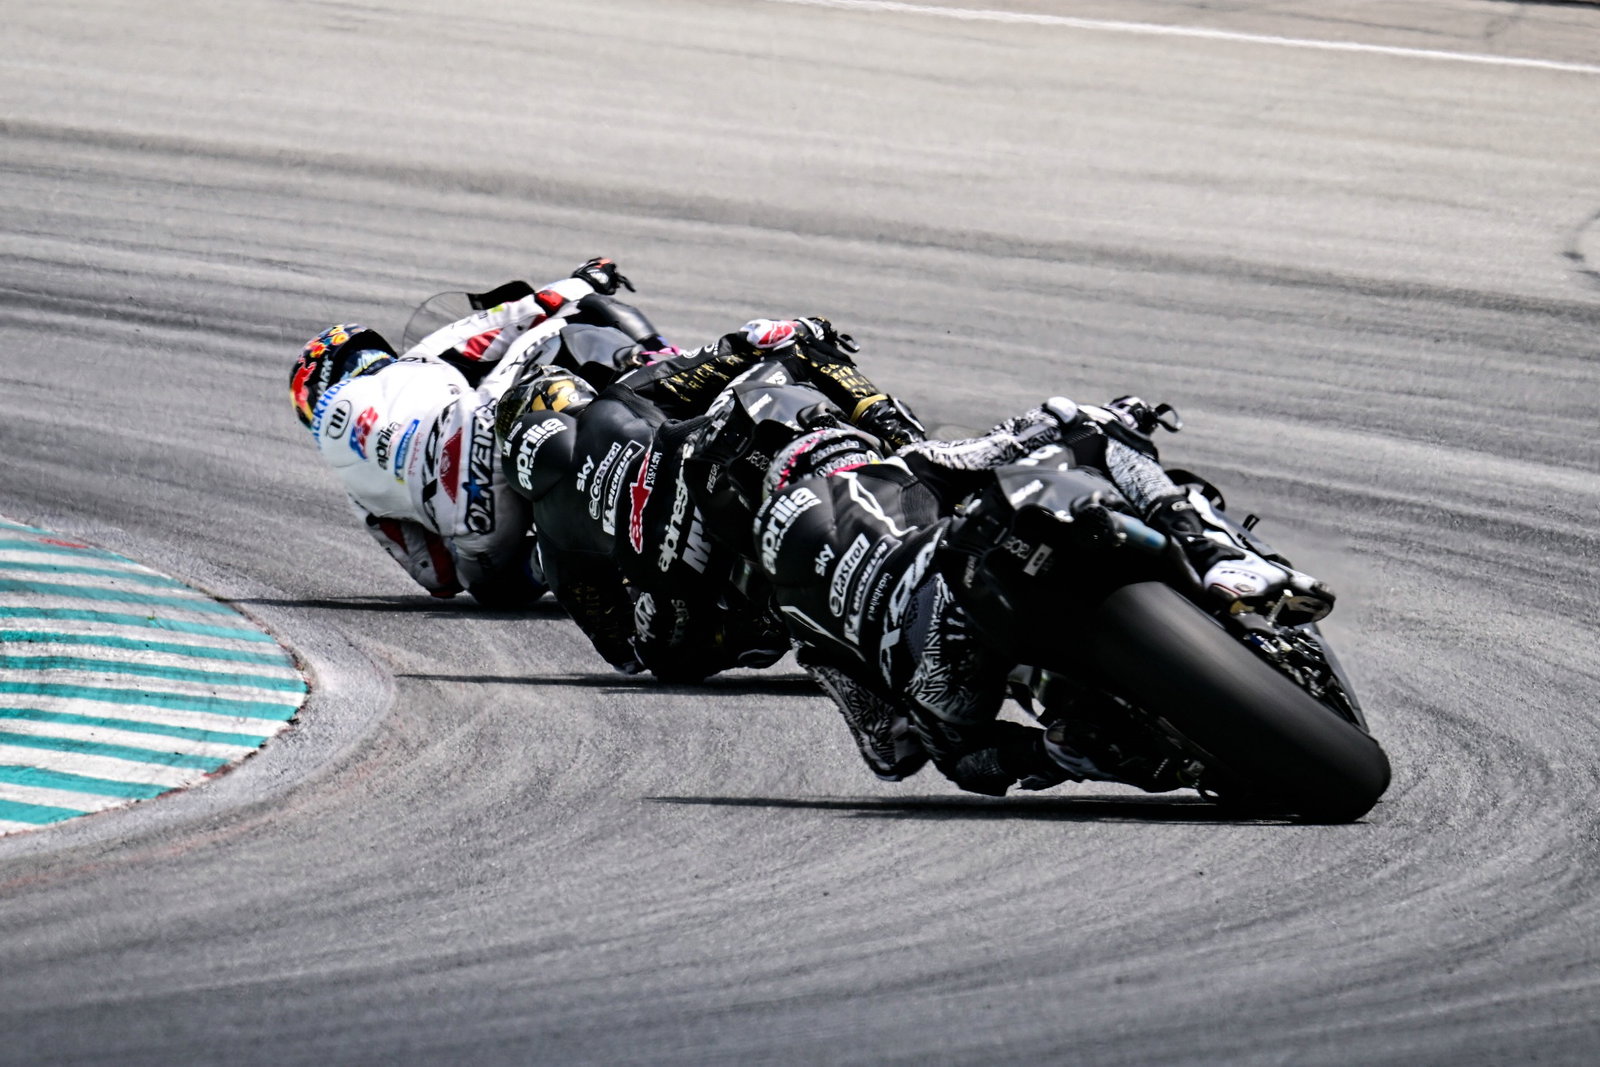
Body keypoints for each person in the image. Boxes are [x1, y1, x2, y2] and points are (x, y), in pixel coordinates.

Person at [748, 395, 1336, 796]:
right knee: (1095, 437)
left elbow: (890, 755)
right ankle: (1216, 556)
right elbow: (997, 447)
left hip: (945, 676)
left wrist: (1031, 757)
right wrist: (1069, 418)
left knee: (968, 759)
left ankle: (1071, 750)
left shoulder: (801, 623)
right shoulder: (893, 471)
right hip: (962, 576)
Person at [496, 315, 926, 679]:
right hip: (699, 470)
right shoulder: (623, 392)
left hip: (676, 566)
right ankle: (903, 440)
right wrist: (800, 330)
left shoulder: (553, 548)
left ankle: (751, 627)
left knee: (664, 656)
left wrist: (648, 605)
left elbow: (622, 652)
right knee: (796, 356)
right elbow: (731, 353)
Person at [289, 257, 638, 607]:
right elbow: (517, 316)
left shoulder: (357, 494)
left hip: (474, 519)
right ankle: (657, 365)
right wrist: (584, 282)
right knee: (568, 322)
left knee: (489, 586)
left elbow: (439, 578)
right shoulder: (418, 361)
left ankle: (551, 559)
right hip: (484, 421)